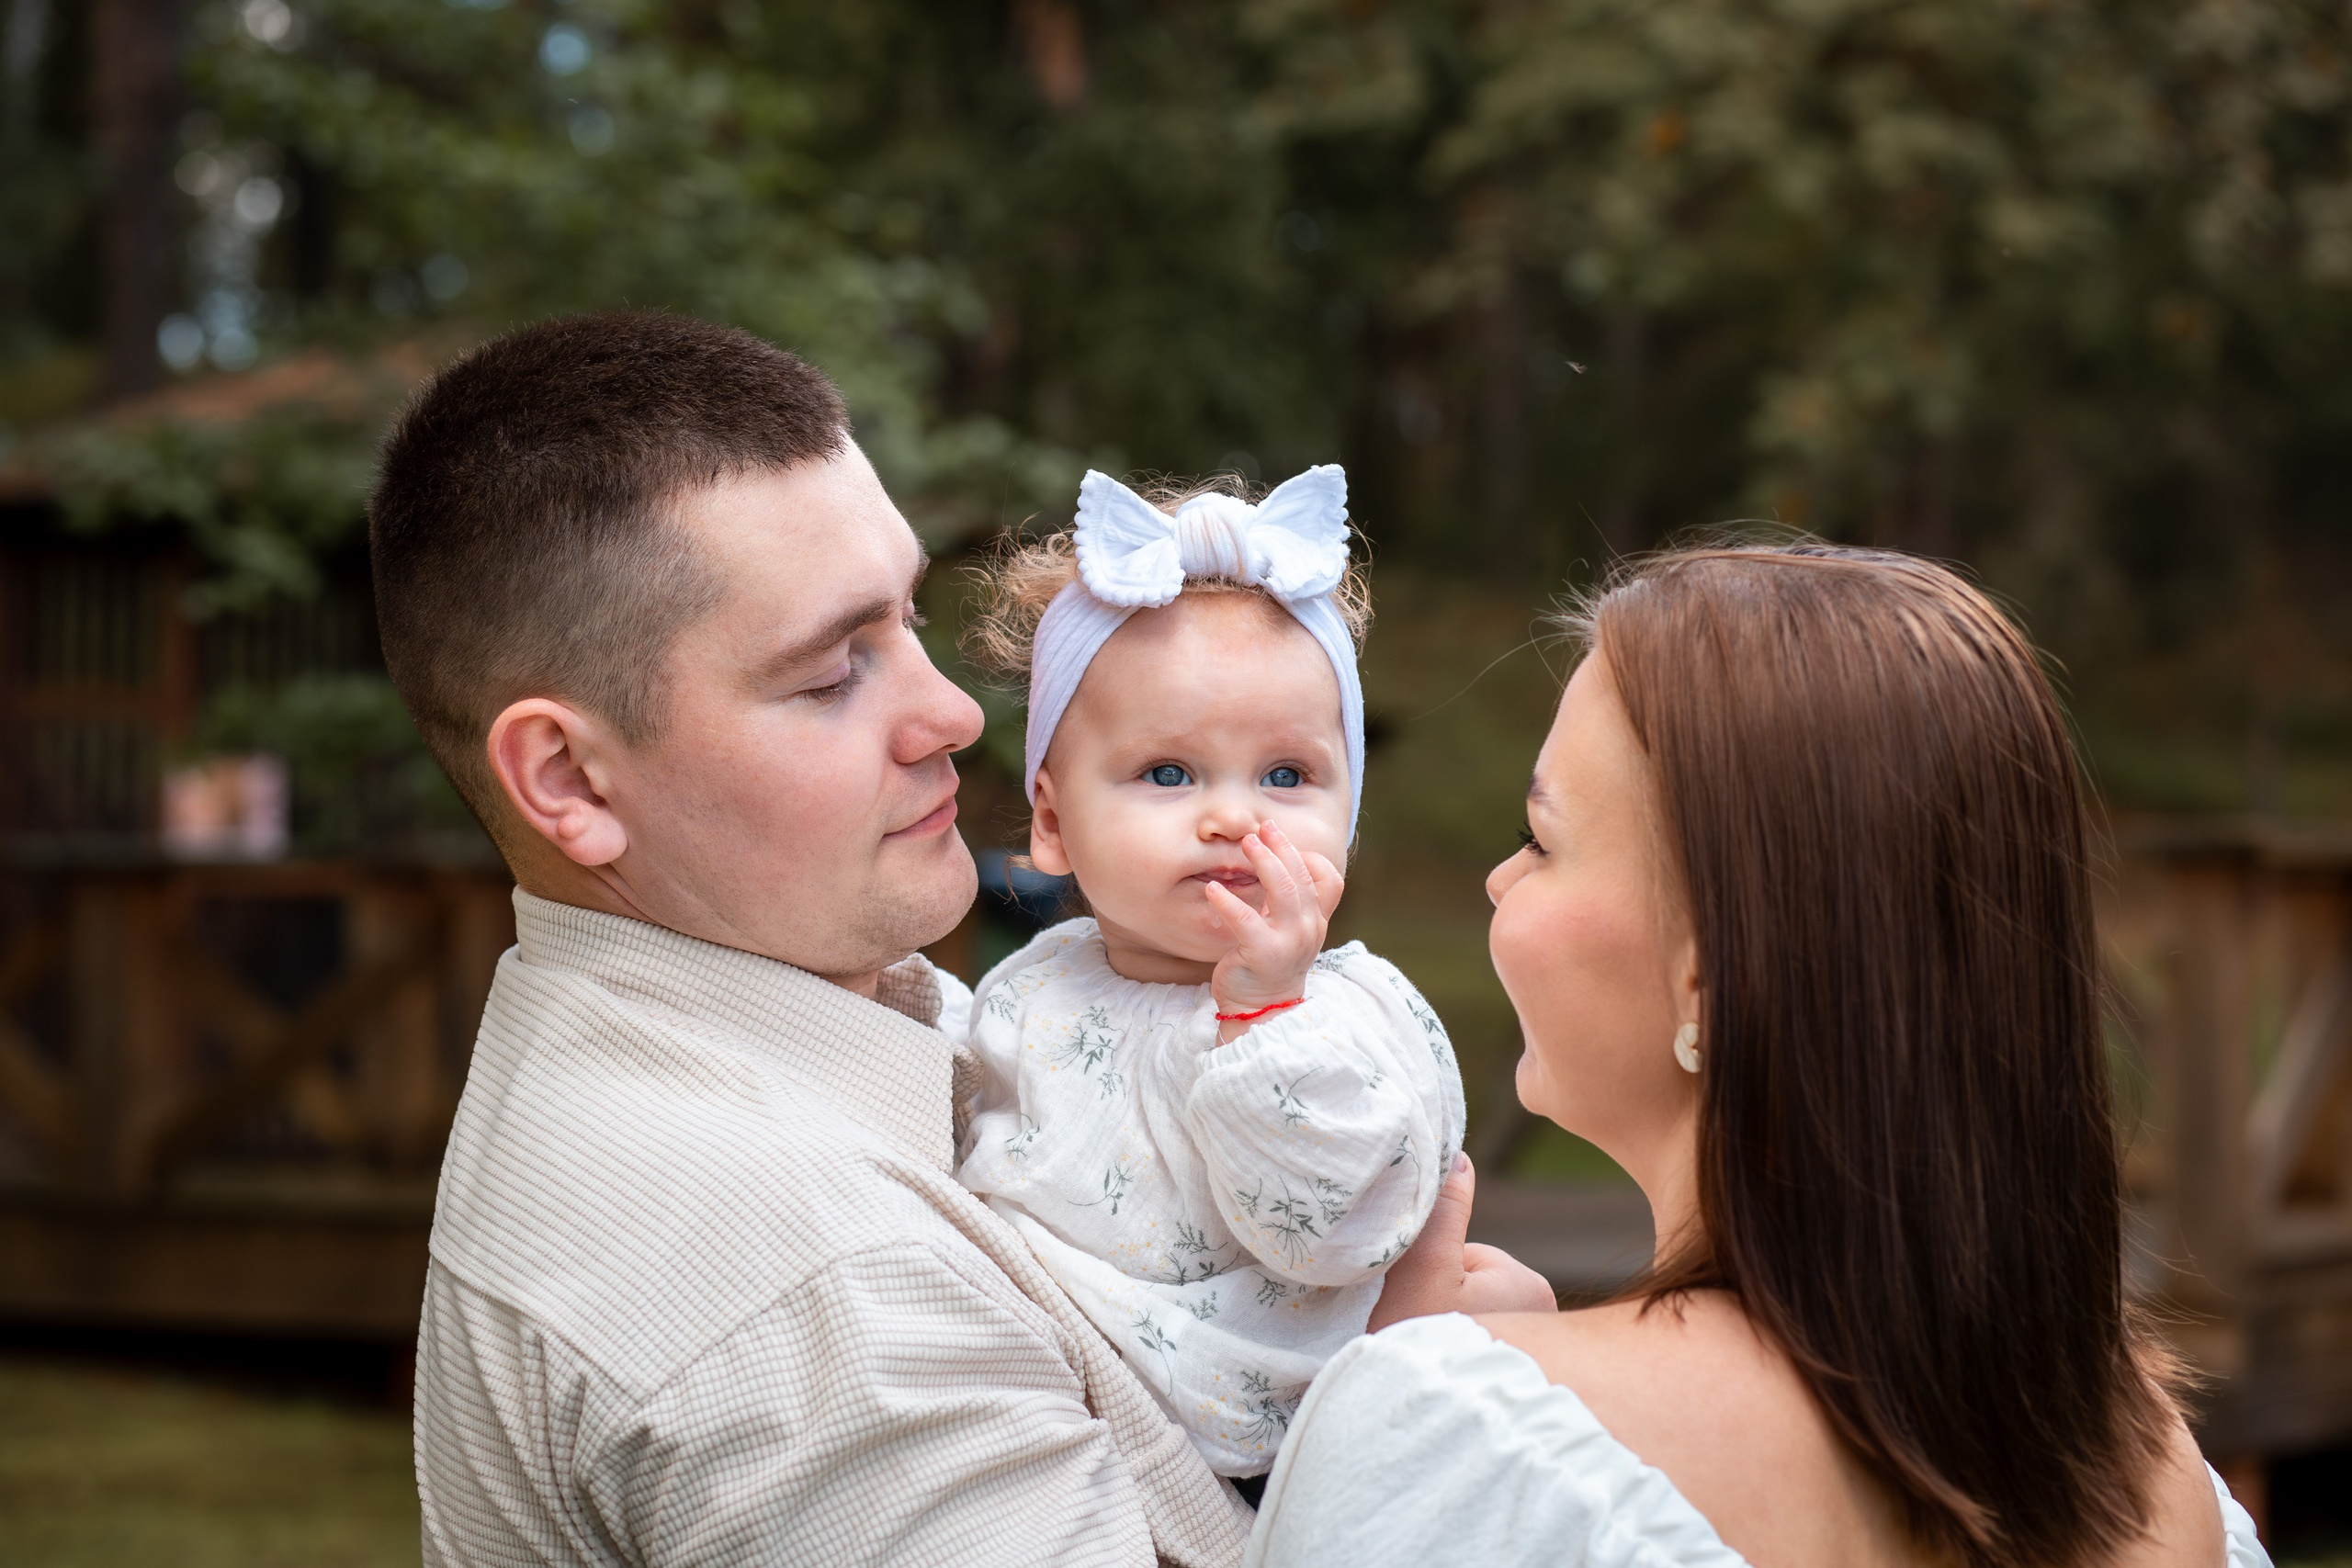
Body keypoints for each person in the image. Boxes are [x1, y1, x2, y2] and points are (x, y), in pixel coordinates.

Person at [370, 312, 1254, 1566]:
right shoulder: (815, 1279)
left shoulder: (725, 1040)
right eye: (831, 674)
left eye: (906, 619)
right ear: (567, 777)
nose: (952, 714)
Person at [1247, 545, 2270, 1567]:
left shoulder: (1465, 1441)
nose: (1498, 880)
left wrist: (1378, 1385)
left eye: (1541, 839)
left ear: (1709, 977)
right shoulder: (2169, 1486)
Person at [950, 467, 1466, 1481]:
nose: (1235, 815)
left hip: (1275, 1442)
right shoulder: (1029, 989)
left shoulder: (1350, 1018)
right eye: (1168, 773)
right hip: (1053, 1410)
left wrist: (1265, 1017)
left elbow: (1335, 1235)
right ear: (1052, 823)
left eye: (1287, 775)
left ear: (1349, 815)